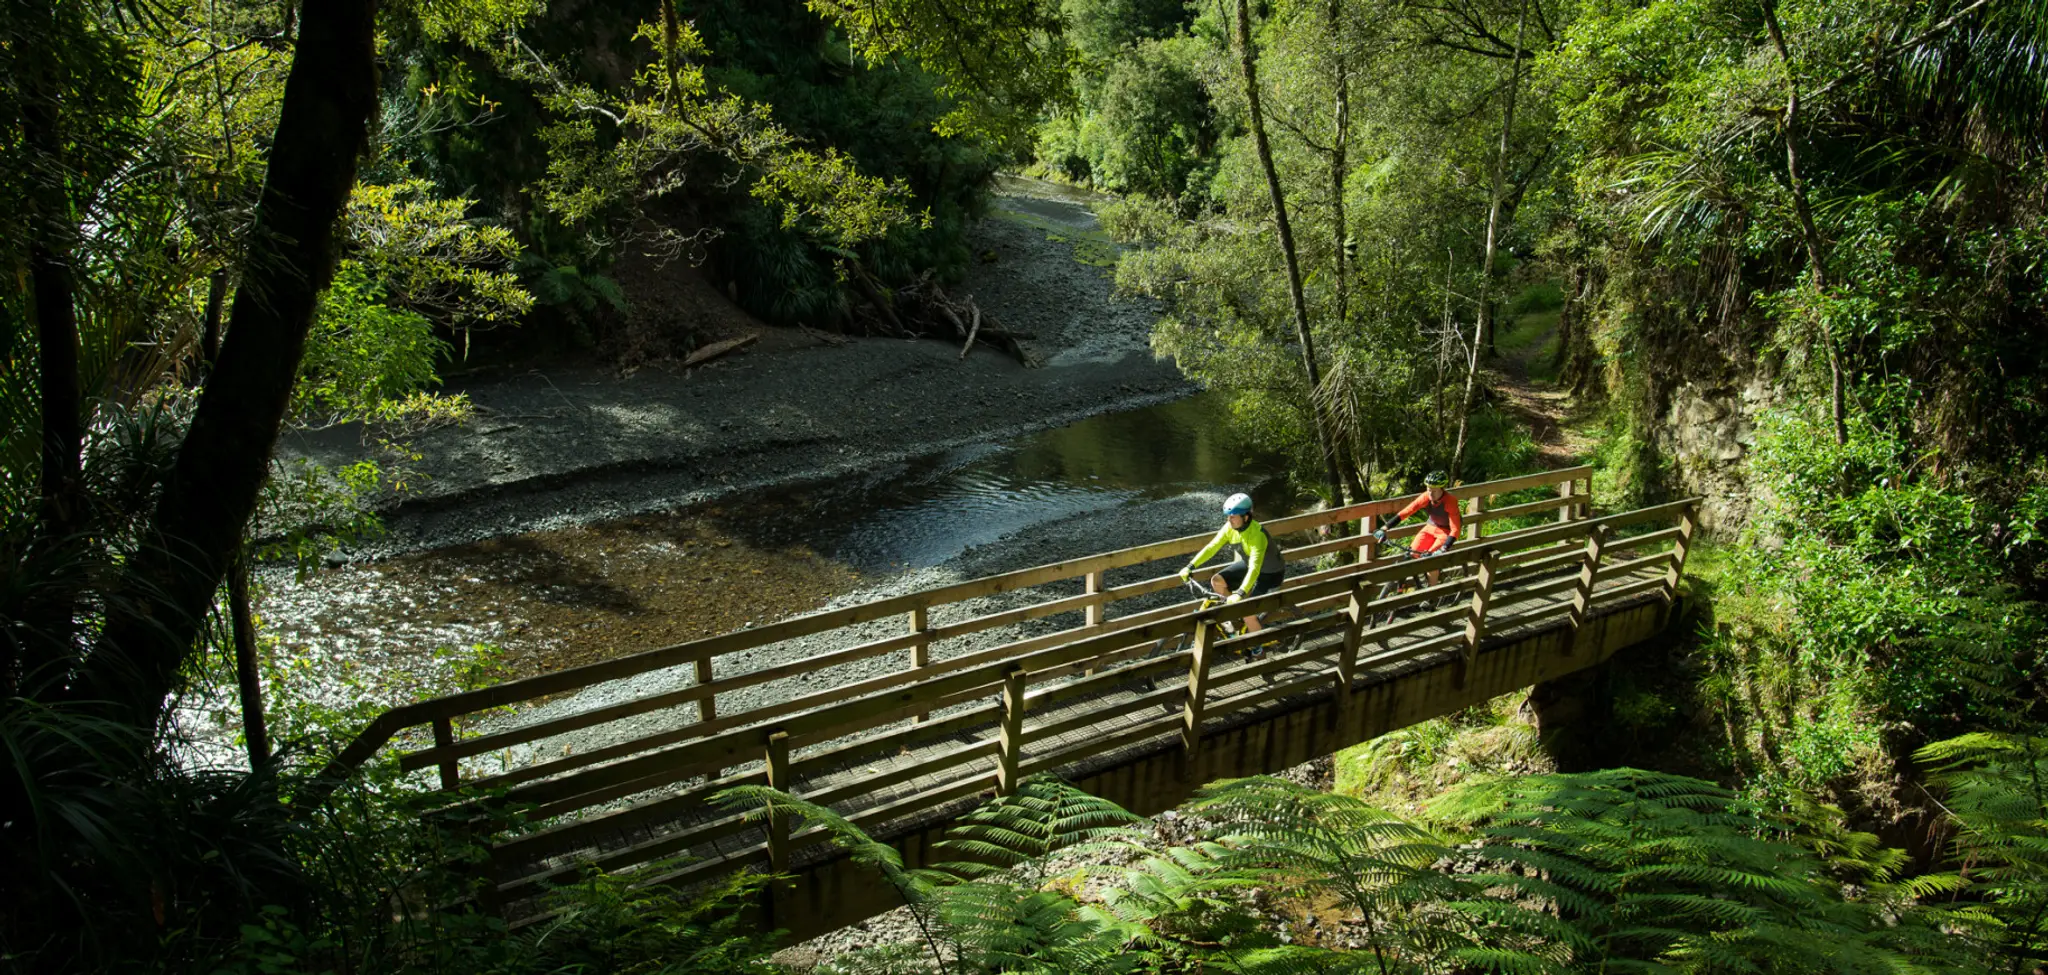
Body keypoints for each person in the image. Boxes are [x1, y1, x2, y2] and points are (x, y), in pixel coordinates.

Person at [1180, 492, 1284, 634]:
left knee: (1248, 614)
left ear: (1245, 517)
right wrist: (1190, 566)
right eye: (1228, 516)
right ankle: (1235, 615)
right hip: (1250, 565)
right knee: (1217, 581)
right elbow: (1212, 547)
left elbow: (1255, 568)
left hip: (1270, 574)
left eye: (1233, 516)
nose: (1229, 520)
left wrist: (1240, 593)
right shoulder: (1230, 528)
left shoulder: (1257, 535)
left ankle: (1258, 649)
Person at [1375, 471, 1461, 586]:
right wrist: (1385, 528)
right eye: (1428, 489)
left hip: (1446, 531)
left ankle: (1431, 594)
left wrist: (1444, 548)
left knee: (1431, 561)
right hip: (1431, 526)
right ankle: (1406, 588)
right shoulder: (1426, 496)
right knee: (1412, 553)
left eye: (1434, 490)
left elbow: (1455, 529)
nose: (1430, 493)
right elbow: (1408, 510)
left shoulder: (1450, 501)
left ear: (1442, 489)